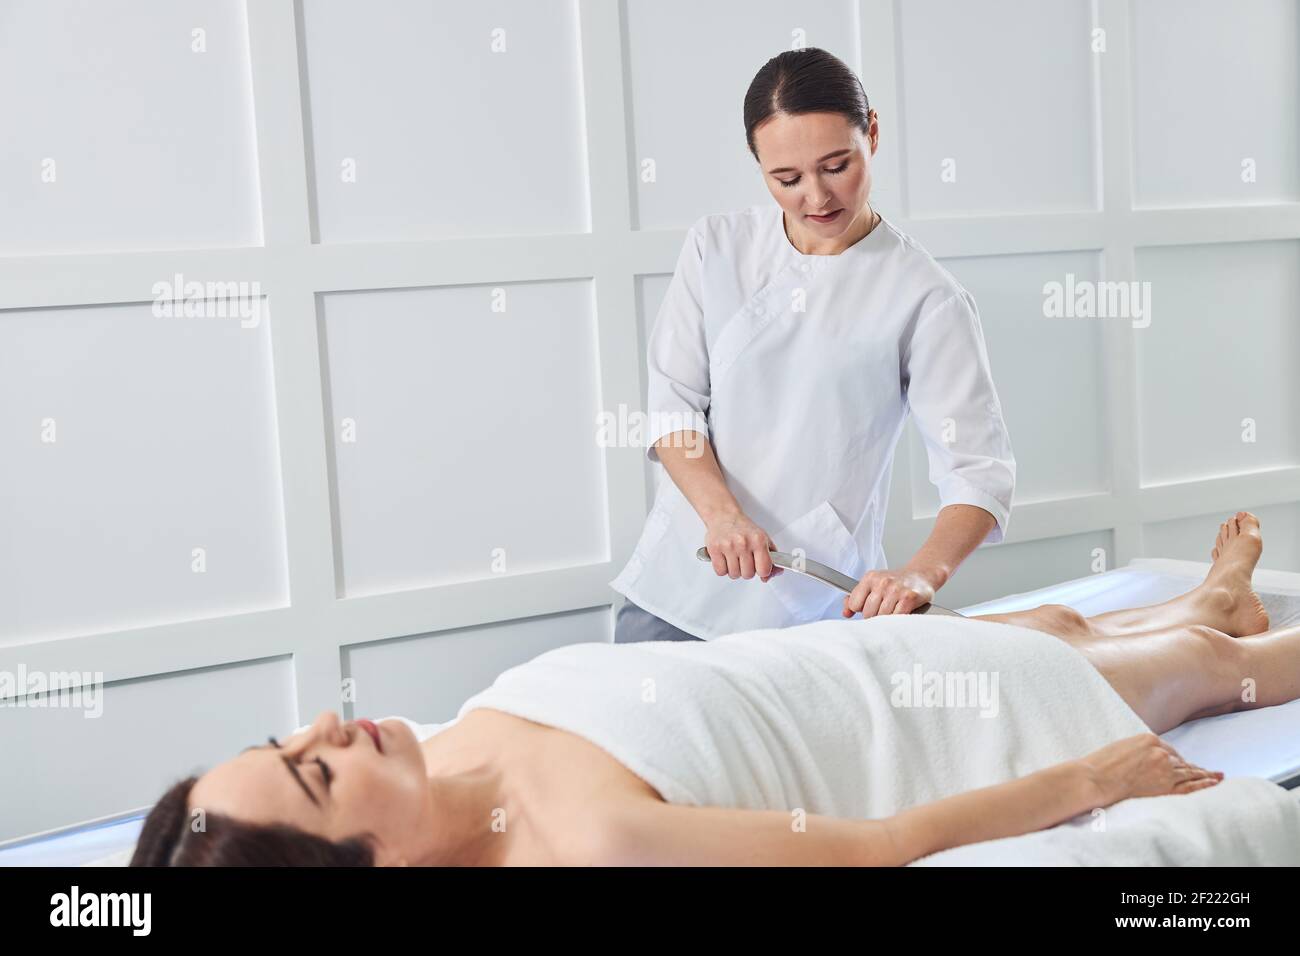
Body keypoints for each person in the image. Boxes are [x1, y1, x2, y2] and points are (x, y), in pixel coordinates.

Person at [132, 513, 1298, 867]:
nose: (329, 724)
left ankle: (1208, 592)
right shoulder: (588, 843)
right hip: (945, 713)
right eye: (315, 768)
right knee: (1213, 679)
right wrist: (1092, 776)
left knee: (1056, 617)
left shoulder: (439, 747)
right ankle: (1219, 620)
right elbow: (876, 841)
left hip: (841, 655)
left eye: (286, 735)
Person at [609, 47, 1014, 643]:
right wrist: (723, 518)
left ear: (871, 133)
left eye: (836, 165)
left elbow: (978, 471)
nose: (817, 198)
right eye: (787, 179)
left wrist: (922, 575)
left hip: (811, 606)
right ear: (758, 165)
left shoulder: (926, 297)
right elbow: (674, 406)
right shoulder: (716, 247)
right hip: (681, 579)